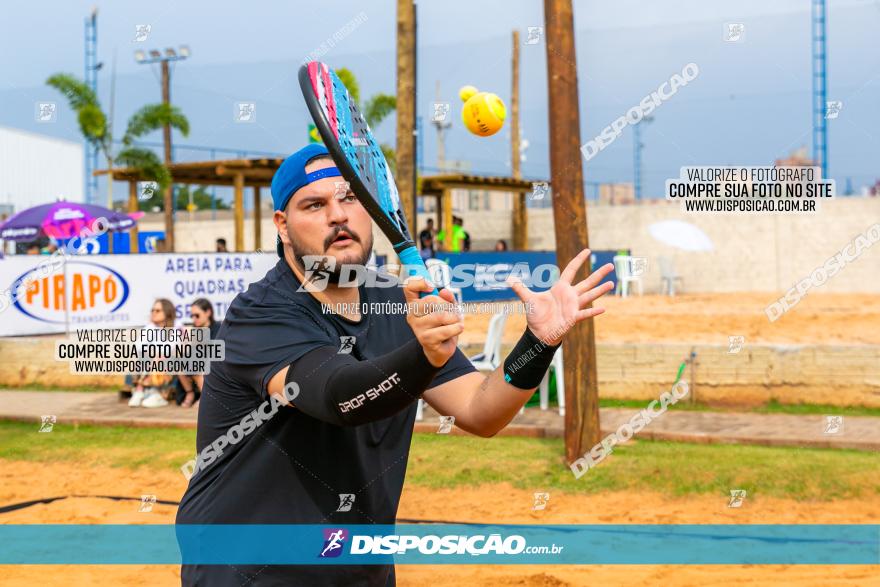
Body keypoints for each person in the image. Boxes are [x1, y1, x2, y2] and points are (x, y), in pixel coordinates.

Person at [175, 144, 615, 586]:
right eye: (315, 204)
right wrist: (422, 355)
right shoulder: (261, 314)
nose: (338, 215)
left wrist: (537, 343)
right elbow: (336, 396)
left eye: (350, 198)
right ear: (283, 226)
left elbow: (482, 412)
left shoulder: (394, 301)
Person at [128, 298, 178, 408]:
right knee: (144, 356)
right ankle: (141, 391)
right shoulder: (150, 328)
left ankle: (157, 394)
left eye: (157, 310)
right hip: (151, 365)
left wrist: (158, 354)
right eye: (152, 310)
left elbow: (172, 348)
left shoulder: (176, 327)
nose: (153, 313)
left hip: (168, 365)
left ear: (167, 312)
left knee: (163, 358)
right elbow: (138, 346)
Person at [176, 298, 219, 408]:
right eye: (192, 316)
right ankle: (190, 393)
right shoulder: (194, 330)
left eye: (197, 315)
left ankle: (205, 397)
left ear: (208, 312)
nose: (194, 319)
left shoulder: (218, 328)